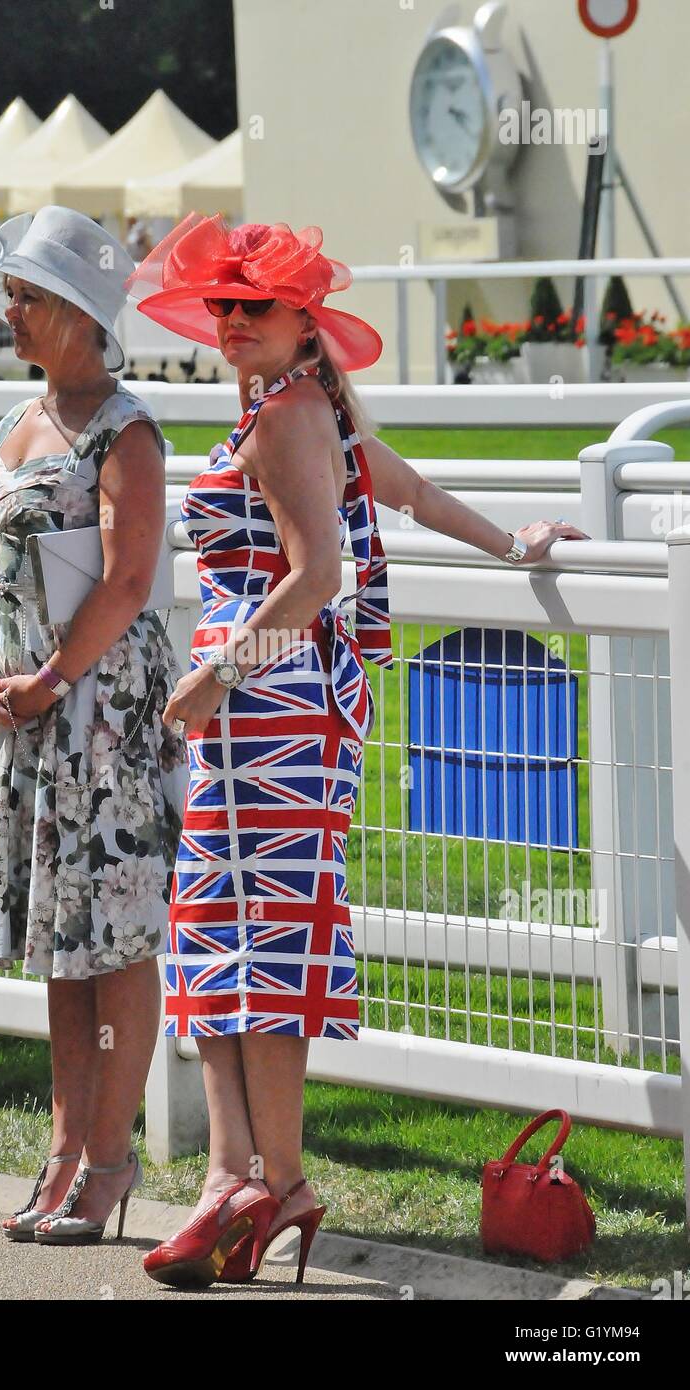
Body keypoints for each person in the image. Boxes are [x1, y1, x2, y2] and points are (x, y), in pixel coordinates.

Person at [124, 212, 588, 1288]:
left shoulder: (287, 415)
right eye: (223, 308)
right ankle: (238, 1181)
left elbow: (315, 576)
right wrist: (512, 537)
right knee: (224, 937)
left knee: (259, 943)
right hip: (265, 708)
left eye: (256, 309)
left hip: (269, 703)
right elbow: (411, 492)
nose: (232, 323)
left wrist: (212, 676)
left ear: (302, 323)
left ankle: (266, 1178)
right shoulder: (301, 407)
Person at [0, 205, 189, 1245]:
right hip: (26, 713)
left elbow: (130, 578)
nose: (12, 309)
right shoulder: (14, 423)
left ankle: (111, 1158)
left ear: (84, 316)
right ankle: (63, 1150)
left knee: (115, 935)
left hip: (95, 715)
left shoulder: (124, 428)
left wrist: (49, 675)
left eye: (31, 296)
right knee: (58, 940)